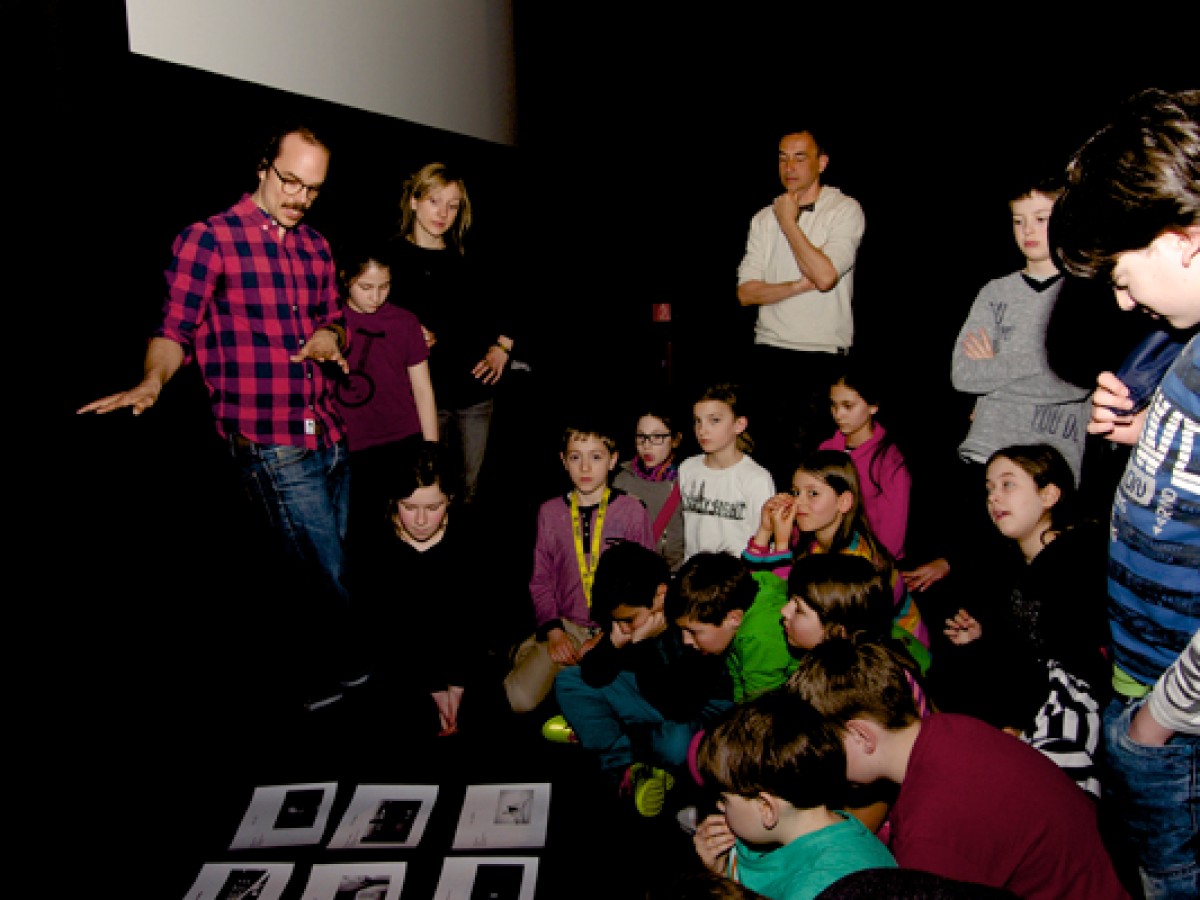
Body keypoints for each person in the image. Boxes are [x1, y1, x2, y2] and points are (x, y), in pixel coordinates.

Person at [75, 125, 365, 710]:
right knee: (324, 572)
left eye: (313, 189)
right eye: (290, 181)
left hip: (328, 434)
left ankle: (320, 670)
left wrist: (328, 337)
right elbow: (174, 329)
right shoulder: (209, 240)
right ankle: (325, 674)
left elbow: (335, 316)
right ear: (263, 167)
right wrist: (153, 379)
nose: (299, 197)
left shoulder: (316, 247)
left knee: (317, 572)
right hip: (269, 440)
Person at [1049, 86, 1200, 899]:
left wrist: (1160, 719)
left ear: (1184, 237)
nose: (1122, 299)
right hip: (1148, 682)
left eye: (1120, 273)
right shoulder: (1189, 336)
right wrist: (1149, 432)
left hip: (1178, 717)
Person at [789, 639, 1131, 900]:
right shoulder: (950, 725)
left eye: (824, 748)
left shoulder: (931, 833)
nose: (821, 762)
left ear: (861, 735)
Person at [931, 444, 1111, 797]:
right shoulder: (1025, 566)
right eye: (989, 488)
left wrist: (1022, 733)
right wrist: (983, 638)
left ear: (1049, 494)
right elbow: (1030, 649)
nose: (994, 498)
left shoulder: (1074, 562)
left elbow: (1071, 664)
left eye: (1008, 484)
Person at [551, 540, 734, 816]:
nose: (624, 628)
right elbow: (594, 675)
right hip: (650, 697)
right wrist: (613, 644)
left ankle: (626, 749)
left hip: (691, 705)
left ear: (660, 596)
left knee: (675, 744)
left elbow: (677, 705)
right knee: (570, 682)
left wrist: (647, 644)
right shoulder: (629, 619)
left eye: (629, 619)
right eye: (617, 621)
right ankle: (629, 766)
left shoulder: (690, 620)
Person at [342, 441, 506, 737]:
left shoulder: (471, 538)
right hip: (401, 666)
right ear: (393, 501)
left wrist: (456, 684)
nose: (420, 520)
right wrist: (433, 688)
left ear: (451, 499)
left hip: (464, 659)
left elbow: (477, 620)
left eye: (433, 507)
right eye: (408, 507)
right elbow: (383, 631)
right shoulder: (372, 546)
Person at [736, 127, 866, 485]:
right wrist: (795, 286)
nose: (789, 166)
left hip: (820, 356)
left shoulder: (844, 210)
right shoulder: (762, 218)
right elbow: (746, 292)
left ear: (821, 163)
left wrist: (789, 222)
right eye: (782, 157)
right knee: (767, 463)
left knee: (813, 470)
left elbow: (824, 277)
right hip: (769, 353)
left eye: (799, 157)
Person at [386, 161, 519, 506]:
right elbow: (365, 313)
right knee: (425, 492)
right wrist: (405, 331)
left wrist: (503, 346)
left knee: (468, 494)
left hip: (474, 395)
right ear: (414, 201)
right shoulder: (390, 257)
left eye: (453, 204)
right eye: (434, 201)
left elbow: (516, 298)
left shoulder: (471, 254)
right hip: (420, 397)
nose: (443, 213)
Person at [503, 419, 655, 714]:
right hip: (567, 625)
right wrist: (555, 631)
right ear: (563, 461)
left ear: (612, 461)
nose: (585, 468)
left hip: (617, 626)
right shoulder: (549, 512)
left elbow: (645, 581)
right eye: (576, 457)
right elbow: (541, 579)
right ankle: (529, 648)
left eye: (595, 457)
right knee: (519, 701)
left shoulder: (632, 511)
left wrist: (608, 634)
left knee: (615, 698)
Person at [690, 691, 898, 900]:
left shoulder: (821, 887)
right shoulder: (812, 830)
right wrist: (720, 874)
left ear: (766, 808)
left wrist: (713, 885)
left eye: (725, 799)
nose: (719, 806)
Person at [743, 449, 930, 676]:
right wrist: (764, 531)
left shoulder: (857, 563)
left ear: (843, 502)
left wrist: (781, 544)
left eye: (812, 493)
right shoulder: (815, 545)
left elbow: (782, 602)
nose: (799, 502)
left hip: (899, 654)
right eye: (796, 492)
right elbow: (756, 588)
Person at [331, 239, 438, 541]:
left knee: (402, 528)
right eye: (366, 288)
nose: (376, 297)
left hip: (402, 439)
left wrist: (431, 447)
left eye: (384, 287)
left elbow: (422, 388)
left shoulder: (405, 322)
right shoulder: (331, 321)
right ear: (345, 280)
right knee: (358, 529)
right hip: (350, 446)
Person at [818, 357, 911, 562]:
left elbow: (893, 532)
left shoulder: (889, 461)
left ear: (873, 406)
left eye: (848, 406)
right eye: (833, 405)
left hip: (870, 565)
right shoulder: (825, 449)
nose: (838, 414)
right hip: (824, 556)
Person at [679, 383, 776, 561]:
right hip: (693, 575)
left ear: (739, 425)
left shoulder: (756, 478)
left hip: (735, 580)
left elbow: (765, 538)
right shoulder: (687, 468)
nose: (702, 430)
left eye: (714, 420)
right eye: (697, 421)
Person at [613, 403, 687, 572]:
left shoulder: (686, 482)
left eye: (657, 437)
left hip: (672, 577)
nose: (646, 445)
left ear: (675, 440)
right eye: (641, 437)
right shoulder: (621, 480)